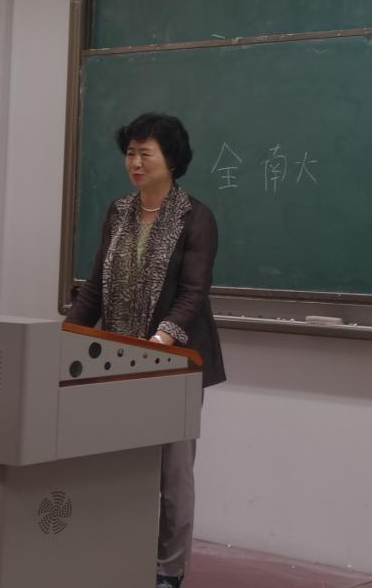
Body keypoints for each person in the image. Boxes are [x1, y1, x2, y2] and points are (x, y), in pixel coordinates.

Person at [66, 112, 226, 588]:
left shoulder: (196, 217)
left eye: (145, 154)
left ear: (170, 159)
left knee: (172, 474)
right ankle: (121, 555)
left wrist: (158, 344)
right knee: (120, 466)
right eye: (130, 154)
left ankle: (168, 570)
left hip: (173, 365)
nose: (134, 163)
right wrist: (63, 336)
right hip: (119, 362)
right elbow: (95, 288)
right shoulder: (118, 212)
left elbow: (193, 295)